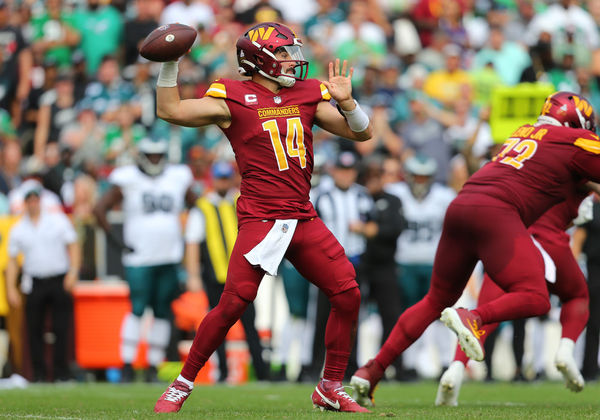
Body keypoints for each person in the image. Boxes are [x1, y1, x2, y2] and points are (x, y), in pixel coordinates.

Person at [153, 21, 372, 413]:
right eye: (285, 54)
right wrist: (169, 65)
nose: (293, 61)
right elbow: (169, 109)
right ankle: (181, 384)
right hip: (261, 219)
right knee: (233, 304)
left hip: (303, 217)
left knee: (348, 294)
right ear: (260, 60)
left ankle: (329, 386)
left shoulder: (307, 93)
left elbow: (361, 134)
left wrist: (348, 103)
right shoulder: (232, 96)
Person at [350, 91, 600, 407]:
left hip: (462, 205)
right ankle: (475, 316)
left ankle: (371, 370)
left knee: (435, 300)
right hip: (497, 214)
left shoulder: (524, 132)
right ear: (578, 123)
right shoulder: (574, 140)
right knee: (536, 296)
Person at [436, 191, 593, 406]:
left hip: (512, 244)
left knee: (480, 318)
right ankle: (566, 350)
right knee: (577, 296)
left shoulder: (517, 166)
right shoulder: (571, 166)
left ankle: (455, 369)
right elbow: (581, 210)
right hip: (549, 240)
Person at [93, 138, 196, 383]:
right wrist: (118, 244)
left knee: (161, 311)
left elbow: (196, 205)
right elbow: (99, 208)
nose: (155, 160)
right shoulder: (128, 178)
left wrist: (186, 234)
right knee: (137, 309)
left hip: (168, 256)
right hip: (139, 258)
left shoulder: (177, 176)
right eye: (150, 155)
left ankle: (152, 366)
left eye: (158, 155)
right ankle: (127, 363)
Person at [184, 160, 269, 382]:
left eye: (226, 178)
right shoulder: (202, 207)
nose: (223, 182)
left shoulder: (239, 202)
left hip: (243, 275)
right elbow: (192, 242)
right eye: (220, 178)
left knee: (251, 324)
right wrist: (193, 274)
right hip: (214, 276)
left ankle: (262, 372)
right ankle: (221, 372)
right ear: (214, 179)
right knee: (217, 327)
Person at [5, 181, 80, 382]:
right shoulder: (19, 228)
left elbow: (73, 245)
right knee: (34, 329)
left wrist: (73, 272)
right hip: (34, 281)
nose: (32, 203)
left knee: (61, 328)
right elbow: (12, 261)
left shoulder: (57, 220)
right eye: (28, 200)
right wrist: (11, 287)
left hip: (58, 279)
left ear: (40, 200)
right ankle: (38, 373)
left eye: (35, 199)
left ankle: (61, 372)